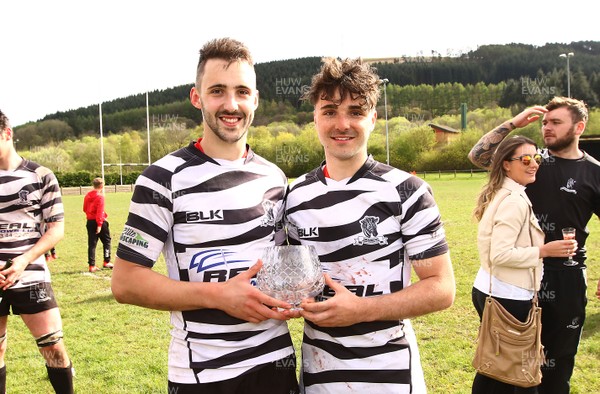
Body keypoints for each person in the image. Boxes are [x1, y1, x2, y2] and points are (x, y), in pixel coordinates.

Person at [111, 37, 299, 394]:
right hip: (204, 376)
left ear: (255, 99)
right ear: (197, 97)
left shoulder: (275, 178)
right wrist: (218, 296)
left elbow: (280, 267)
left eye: (242, 92)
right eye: (217, 91)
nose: (231, 104)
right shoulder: (162, 178)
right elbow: (126, 283)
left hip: (277, 364)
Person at [283, 57, 455, 393]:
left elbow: (442, 288)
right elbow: (293, 280)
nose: (342, 123)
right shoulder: (295, 195)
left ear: (373, 118)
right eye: (330, 111)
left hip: (388, 376)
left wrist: (361, 310)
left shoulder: (407, 190)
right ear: (314, 118)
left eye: (356, 111)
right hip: (320, 376)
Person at [468, 97, 600, 394]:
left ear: (579, 127)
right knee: (511, 361)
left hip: (566, 276)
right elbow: (478, 156)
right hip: (519, 277)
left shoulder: (594, 172)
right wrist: (515, 123)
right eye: (544, 123)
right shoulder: (531, 162)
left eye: (556, 122)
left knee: (559, 358)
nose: (546, 128)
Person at [471, 136, 576, 393]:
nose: (533, 164)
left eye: (537, 158)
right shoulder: (513, 201)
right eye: (525, 159)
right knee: (513, 373)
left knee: (499, 368)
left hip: (496, 291)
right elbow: (501, 254)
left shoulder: (507, 192)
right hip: (507, 296)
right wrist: (544, 251)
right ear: (506, 164)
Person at [0, 109, 74, 393]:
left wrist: (23, 261)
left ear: (7, 133)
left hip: (31, 276)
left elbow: (56, 229)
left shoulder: (41, 176)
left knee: (53, 348)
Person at [83, 177, 112, 272]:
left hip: (90, 221)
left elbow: (84, 209)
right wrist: (99, 225)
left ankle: (91, 265)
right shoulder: (100, 197)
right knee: (107, 241)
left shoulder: (87, 196)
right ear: (102, 186)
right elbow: (99, 212)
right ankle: (106, 261)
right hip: (99, 222)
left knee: (92, 244)